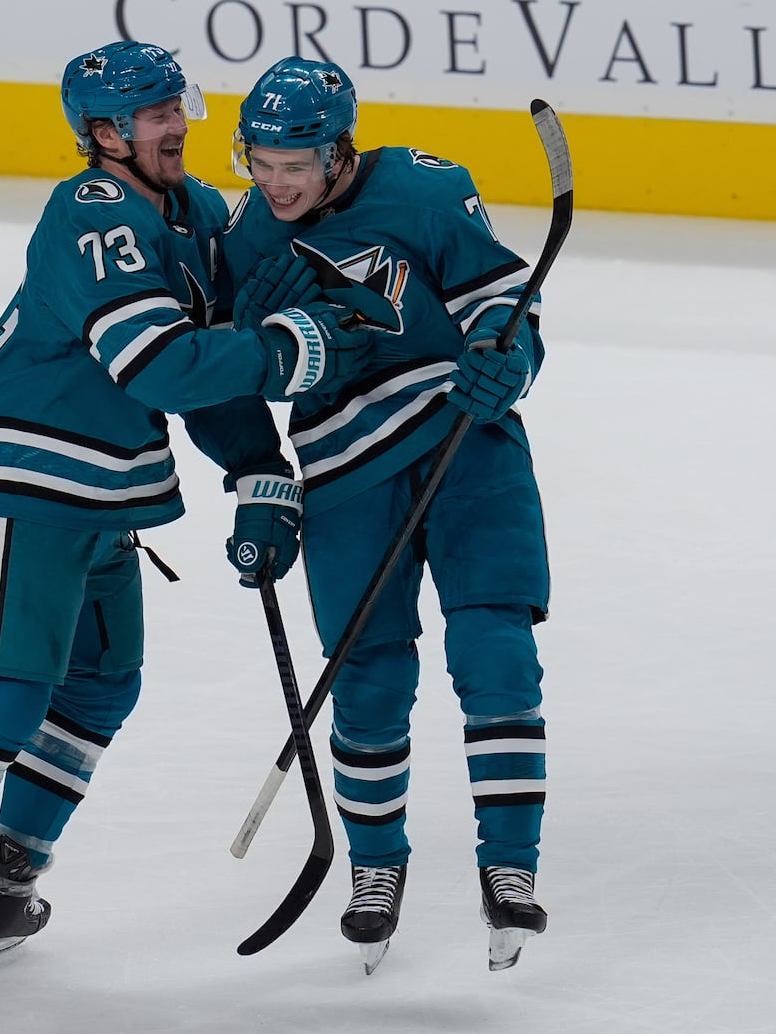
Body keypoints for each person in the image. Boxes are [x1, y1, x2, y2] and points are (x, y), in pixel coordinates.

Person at [0, 41, 371, 1011]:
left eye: (176, 106)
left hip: (108, 492)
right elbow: (163, 367)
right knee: (10, 692)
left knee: (100, 688)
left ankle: (6, 886)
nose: (175, 125)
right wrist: (283, 351)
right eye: (152, 114)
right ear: (102, 134)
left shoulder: (195, 214)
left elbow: (205, 357)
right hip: (24, 481)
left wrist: (258, 466)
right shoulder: (90, 211)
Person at [221, 57, 552, 973]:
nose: (276, 181)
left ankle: (511, 870)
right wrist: (260, 479)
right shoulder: (247, 235)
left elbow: (505, 307)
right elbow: (223, 380)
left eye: (297, 163)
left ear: (341, 150)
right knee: (367, 678)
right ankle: (376, 869)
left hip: (464, 439)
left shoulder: (426, 189)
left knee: (496, 650)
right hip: (343, 472)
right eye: (261, 161)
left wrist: (505, 357)